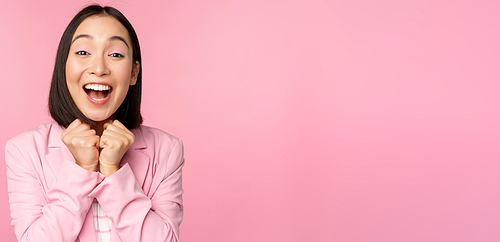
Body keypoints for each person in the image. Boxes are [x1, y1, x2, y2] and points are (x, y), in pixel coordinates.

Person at [5, 5, 184, 242]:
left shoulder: (167, 150)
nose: (99, 69)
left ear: (133, 73)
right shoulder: (24, 150)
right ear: (64, 65)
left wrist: (113, 171)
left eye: (116, 54)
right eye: (82, 52)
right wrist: (81, 169)